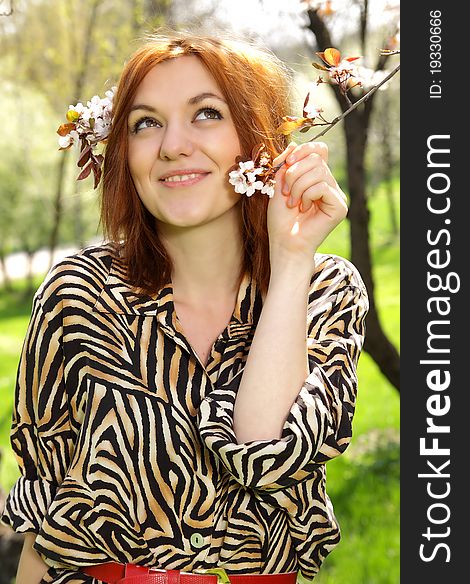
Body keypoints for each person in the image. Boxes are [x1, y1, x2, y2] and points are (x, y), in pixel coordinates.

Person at [1, 30, 369, 584]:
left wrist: (291, 259)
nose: (172, 144)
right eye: (146, 123)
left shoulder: (325, 292)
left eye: (206, 114)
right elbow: (44, 516)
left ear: (260, 139)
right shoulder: (77, 294)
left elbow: (267, 455)